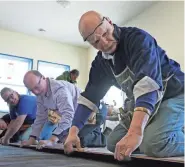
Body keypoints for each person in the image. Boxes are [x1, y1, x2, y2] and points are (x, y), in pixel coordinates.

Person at [64, 11, 184, 160]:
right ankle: (158, 133)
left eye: (105, 33)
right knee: (114, 144)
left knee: (155, 143)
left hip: (175, 94)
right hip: (150, 104)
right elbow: (90, 97)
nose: (104, 43)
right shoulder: (101, 63)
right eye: (95, 42)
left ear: (108, 21)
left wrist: (135, 132)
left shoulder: (138, 39)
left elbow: (147, 84)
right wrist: (73, 132)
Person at [21, 70, 107, 148]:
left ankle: (105, 136)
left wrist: (52, 140)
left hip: (96, 112)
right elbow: (40, 117)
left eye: (36, 86)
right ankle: (93, 130)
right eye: (31, 90)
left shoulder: (59, 90)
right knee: (64, 138)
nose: (35, 92)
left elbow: (68, 114)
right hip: (80, 118)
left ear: (43, 78)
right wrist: (32, 138)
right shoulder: (40, 95)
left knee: (74, 140)